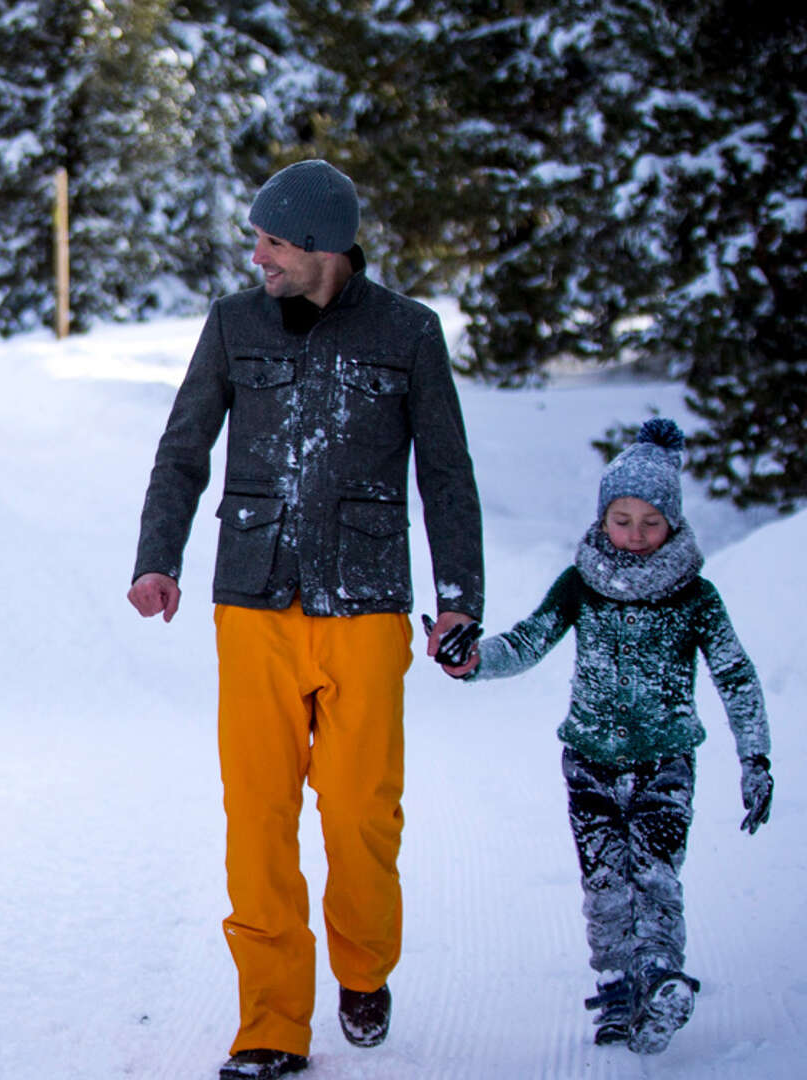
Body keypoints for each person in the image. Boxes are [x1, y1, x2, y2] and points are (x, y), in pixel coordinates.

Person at [128, 160, 484, 1080]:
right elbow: (183, 448)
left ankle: (364, 968)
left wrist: (460, 598)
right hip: (253, 597)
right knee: (257, 818)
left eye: (274, 242)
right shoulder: (235, 324)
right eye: (258, 240)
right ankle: (272, 1023)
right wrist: (157, 557)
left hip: (365, 600)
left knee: (362, 812)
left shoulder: (409, 332)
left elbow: (444, 472)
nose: (259, 257)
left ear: (323, 244)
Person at [445, 418, 771, 1055]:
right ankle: (621, 987)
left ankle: (661, 978)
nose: (637, 535)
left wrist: (754, 755)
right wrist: (474, 659)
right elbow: (530, 640)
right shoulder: (581, 585)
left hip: (665, 762)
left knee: (655, 876)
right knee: (603, 883)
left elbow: (735, 673)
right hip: (589, 761)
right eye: (623, 519)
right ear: (602, 519)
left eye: (652, 522)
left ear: (673, 524)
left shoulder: (695, 596)